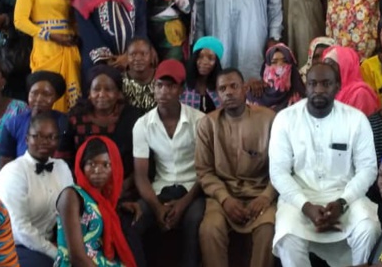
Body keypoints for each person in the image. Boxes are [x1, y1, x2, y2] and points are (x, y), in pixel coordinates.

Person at [269, 62, 381, 267]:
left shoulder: (356, 120)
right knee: (287, 236)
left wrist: (342, 202)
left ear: (338, 86)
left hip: (346, 195)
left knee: (367, 227)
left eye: (326, 84)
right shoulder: (285, 119)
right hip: (300, 198)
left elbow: (368, 169)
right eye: (313, 84)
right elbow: (278, 173)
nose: (319, 90)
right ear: (306, 86)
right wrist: (306, 206)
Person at [195, 68, 278, 267]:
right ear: (217, 93)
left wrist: (266, 196)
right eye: (222, 88)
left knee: (268, 229)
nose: (229, 92)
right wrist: (225, 199)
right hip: (223, 195)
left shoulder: (269, 119)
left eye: (234, 86)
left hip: (260, 193)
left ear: (245, 89)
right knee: (209, 229)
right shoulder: (207, 124)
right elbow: (204, 171)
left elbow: (282, 167)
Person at [132, 59, 206, 267]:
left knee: (194, 220)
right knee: (134, 221)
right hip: (160, 188)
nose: (164, 91)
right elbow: (140, 175)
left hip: (193, 189)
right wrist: (157, 208)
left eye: (171, 86)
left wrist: (183, 204)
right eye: (159, 85)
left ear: (181, 90)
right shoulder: (143, 124)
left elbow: (205, 170)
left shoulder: (199, 121)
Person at [0, 113, 74, 266]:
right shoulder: (14, 172)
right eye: (37, 136)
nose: (44, 142)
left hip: (44, 243)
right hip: (9, 245)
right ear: (26, 139)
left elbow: (70, 211)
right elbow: (20, 229)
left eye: (51, 137)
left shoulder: (62, 168)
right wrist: (56, 253)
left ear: (57, 141)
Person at [14, 0, 81, 112]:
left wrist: (73, 34)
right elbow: (19, 21)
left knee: (71, 96)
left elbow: (73, 18)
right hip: (45, 48)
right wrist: (49, 35)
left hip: (68, 46)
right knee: (46, 93)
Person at [55, 136, 139, 267]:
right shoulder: (71, 195)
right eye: (91, 164)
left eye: (106, 165)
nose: (98, 171)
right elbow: (77, 257)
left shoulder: (103, 200)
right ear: (82, 165)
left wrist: (121, 206)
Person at [60, 65, 145, 186]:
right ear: (89, 93)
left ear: (118, 93)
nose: (102, 94)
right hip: (81, 186)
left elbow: (141, 162)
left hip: (124, 187)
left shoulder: (133, 118)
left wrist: (121, 188)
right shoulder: (75, 117)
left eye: (108, 89)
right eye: (96, 89)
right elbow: (63, 158)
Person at [0, 71, 68, 167]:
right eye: (34, 93)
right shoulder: (13, 124)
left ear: (56, 97)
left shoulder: (64, 122)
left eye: (46, 94)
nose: (39, 99)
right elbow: (5, 160)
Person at [247, 43, 305, 112]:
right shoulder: (255, 93)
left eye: (285, 61)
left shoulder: (300, 97)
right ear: (266, 67)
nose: (280, 66)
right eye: (274, 62)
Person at [323, 46, 380, 116]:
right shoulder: (331, 92)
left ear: (345, 66)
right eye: (324, 66)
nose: (325, 70)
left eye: (330, 65)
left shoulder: (360, 94)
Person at [181, 36, 224, 112]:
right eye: (200, 57)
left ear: (217, 63)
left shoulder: (221, 86)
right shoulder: (183, 84)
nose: (204, 62)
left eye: (210, 58)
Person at [122, 38, 158, 110]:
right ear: (126, 57)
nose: (138, 58)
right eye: (133, 54)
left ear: (151, 56)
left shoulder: (161, 77)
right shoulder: (120, 81)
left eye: (144, 54)